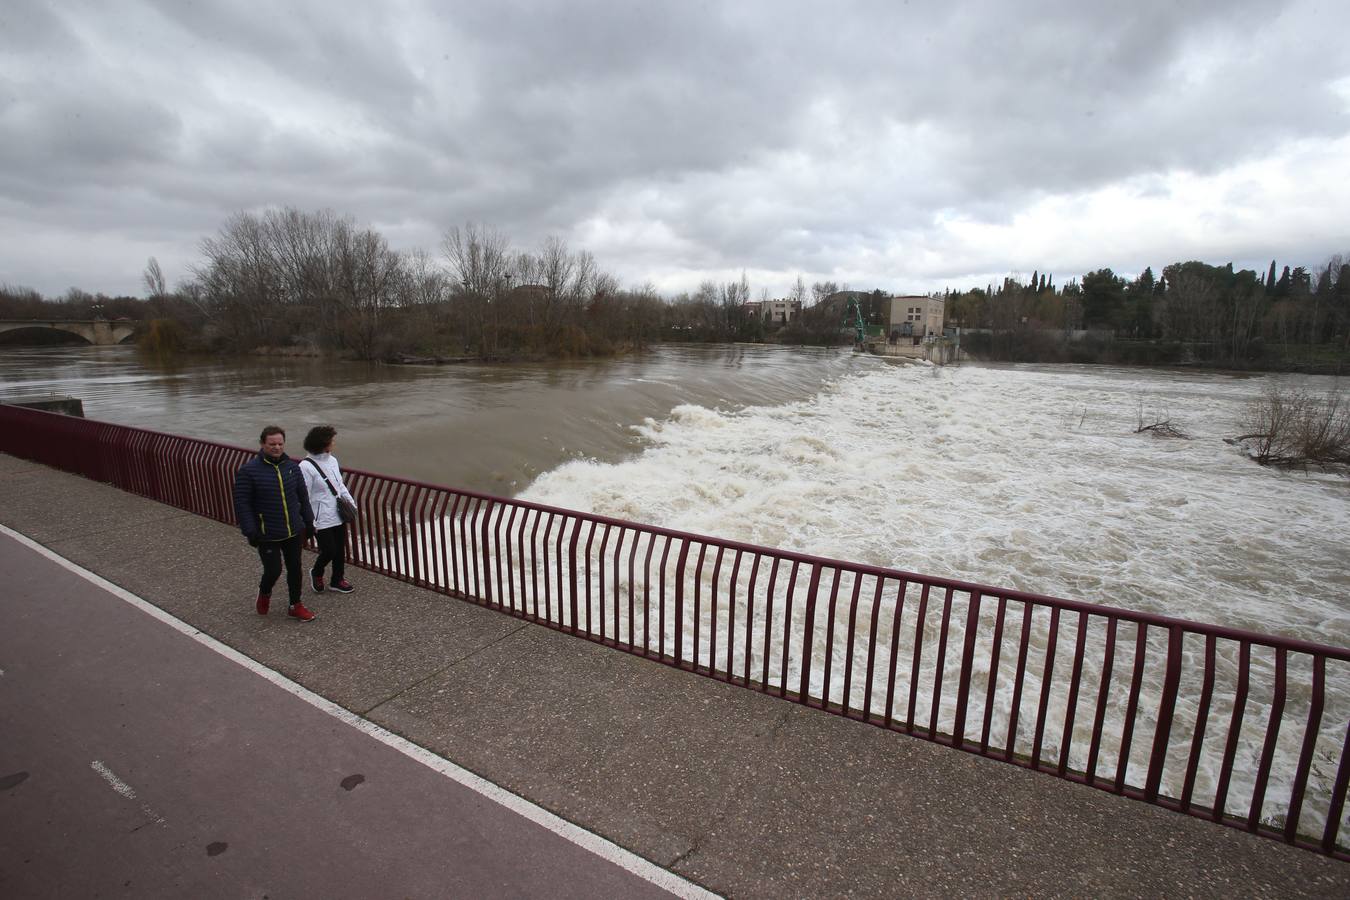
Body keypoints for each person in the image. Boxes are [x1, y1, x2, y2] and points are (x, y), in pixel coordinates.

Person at [232, 425, 317, 621]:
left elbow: (303, 497)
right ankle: (265, 592)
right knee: (274, 570)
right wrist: (250, 530)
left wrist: (309, 521)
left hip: (293, 530)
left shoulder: (292, 468)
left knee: (295, 569)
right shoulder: (249, 471)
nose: (277, 447)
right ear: (263, 444)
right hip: (267, 532)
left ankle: (295, 605)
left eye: (280, 444)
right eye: (272, 444)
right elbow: (242, 503)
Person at [300, 424, 356, 595]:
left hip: (337, 513)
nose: (334, 444)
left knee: (340, 549)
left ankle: (337, 580)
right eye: (332, 441)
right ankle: (317, 572)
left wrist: (351, 503)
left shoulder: (332, 460)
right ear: (323, 444)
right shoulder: (305, 466)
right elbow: (304, 495)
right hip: (320, 517)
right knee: (329, 550)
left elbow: (339, 485)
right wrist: (310, 520)